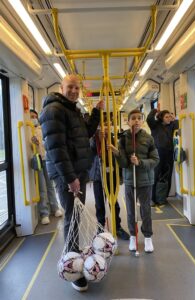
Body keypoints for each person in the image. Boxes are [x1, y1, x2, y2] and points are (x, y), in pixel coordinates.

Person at [39, 74, 104, 292]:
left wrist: (96, 113)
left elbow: (84, 134)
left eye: (77, 88)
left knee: (75, 217)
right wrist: (71, 178)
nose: (74, 91)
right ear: (61, 87)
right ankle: (72, 267)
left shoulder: (72, 109)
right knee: (71, 218)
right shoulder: (54, 110)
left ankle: (74, 255)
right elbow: (57, 150)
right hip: (67, 174)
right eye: (70, 87)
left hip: (77, 172)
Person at [108, 109, 159, 253]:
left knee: (145, 210)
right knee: (130, 211)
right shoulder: (123, 139)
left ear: (142, 121)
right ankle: (132, 236)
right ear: (128, 121)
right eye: (133, 118)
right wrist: (117, 153)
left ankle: (148, 237)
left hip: (145, 180)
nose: (136, 121)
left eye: (139, 118)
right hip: (130, 180)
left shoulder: (149, 138)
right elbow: (124, 163)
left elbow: (155, 160)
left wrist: (140, 162)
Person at [89, 124, 129, 240]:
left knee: (114, 203)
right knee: (100, 204)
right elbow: (91, 151)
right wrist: (98, 139)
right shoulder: (93, 139)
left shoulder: (114, 138)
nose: (104, 128)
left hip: (111, 174)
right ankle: (100, 228)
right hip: (98, 176)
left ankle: (117, 227)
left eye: (107, 126)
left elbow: (118, 154)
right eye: (102, 126)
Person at [30, 109, 62, 225]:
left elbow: (47, 144)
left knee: (50, 186)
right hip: (36, 160)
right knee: (42, 188)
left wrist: (39, 143)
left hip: (46, 159)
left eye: (34, 116)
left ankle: (55, 208)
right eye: (31, 117)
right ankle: (44, 213)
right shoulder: (27, 131)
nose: (33, 119)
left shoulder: (42, 129)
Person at [146, 108, 178, 205]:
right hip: (158, 153)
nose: (168, 119)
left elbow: (178, 124)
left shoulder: (171, 125)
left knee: (167, 175)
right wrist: (155, 110)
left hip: (169, 152)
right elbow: (149, 119)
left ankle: (163, 196)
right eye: (166, 117)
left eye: (169, 117)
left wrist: (173, 117)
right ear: (161, 118)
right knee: (156, 175)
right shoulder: (155, 125)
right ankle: (152, 198)